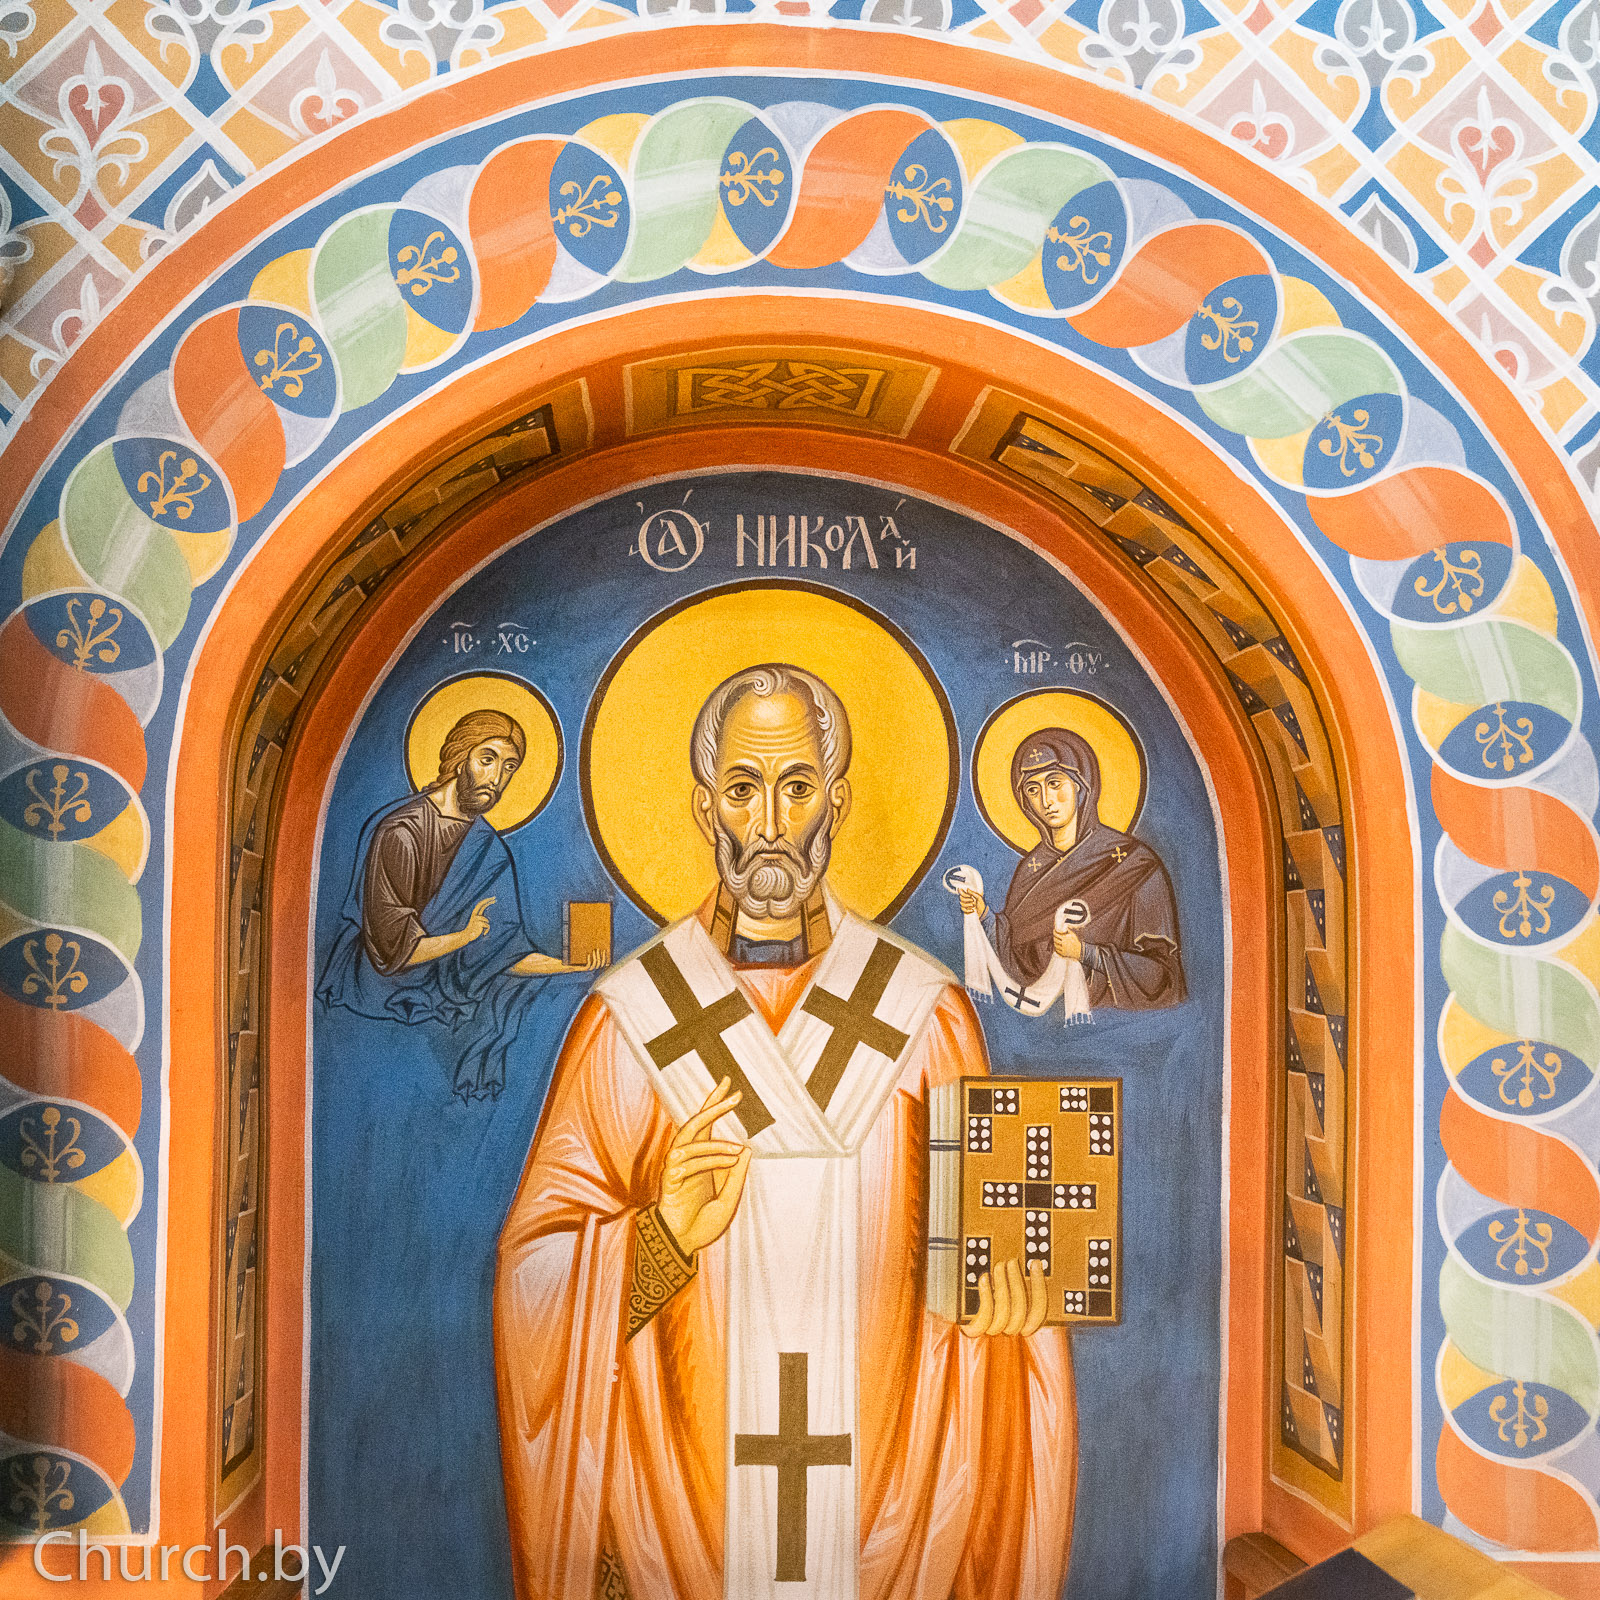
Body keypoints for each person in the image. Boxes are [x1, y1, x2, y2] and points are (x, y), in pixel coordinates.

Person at [494, 665, 1074, 1600]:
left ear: (836, 802)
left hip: (894, 1497)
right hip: (681, 1510)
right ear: (704, 805)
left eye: (797, 786)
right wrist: (660, 1238)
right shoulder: (629, 1020)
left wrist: (1010, 1307)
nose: (769, 821)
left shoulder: (926, 1015)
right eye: (742, 787)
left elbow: (994, 1262)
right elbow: (534, 1284)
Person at [318, 708, 596, 1099]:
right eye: (488, 759)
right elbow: (393, 953)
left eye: (509, 767)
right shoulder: (402, 832)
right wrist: (464, 937)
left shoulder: (489, 850)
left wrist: (571, 964)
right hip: (369, 1007)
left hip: (437, 1017)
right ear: (459, 757)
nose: (497, 779)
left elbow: (501, 953)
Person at [958, 726, 1185, 1009]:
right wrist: (984, 916)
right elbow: (1017, 961)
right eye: (1033, 789)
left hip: (1115, 1023)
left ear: (1081, 785)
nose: (1046, 800)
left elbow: (1163, 977)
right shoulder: (1030, 870)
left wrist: (1086, 953)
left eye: (1055, 783)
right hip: (1043, 1020)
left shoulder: (1135, 864)